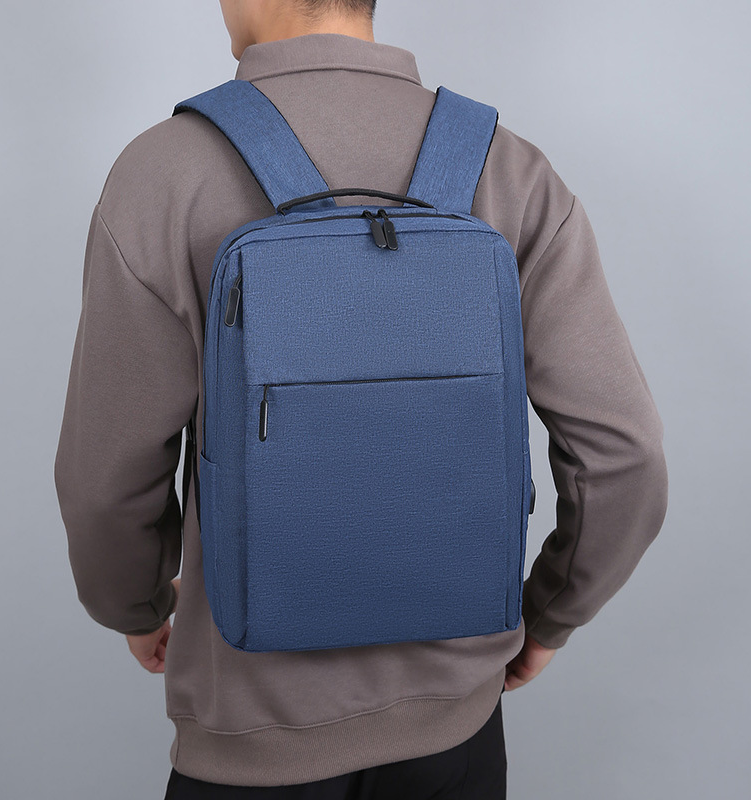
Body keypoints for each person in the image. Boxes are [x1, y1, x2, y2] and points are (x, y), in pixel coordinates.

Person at [53, 1, 669, 797]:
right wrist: (552, 614)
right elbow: (624, 455)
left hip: (253, 734)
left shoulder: (163, 172)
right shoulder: (508, 168)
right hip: (457, 735)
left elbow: (105, 475)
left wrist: (134, 604)